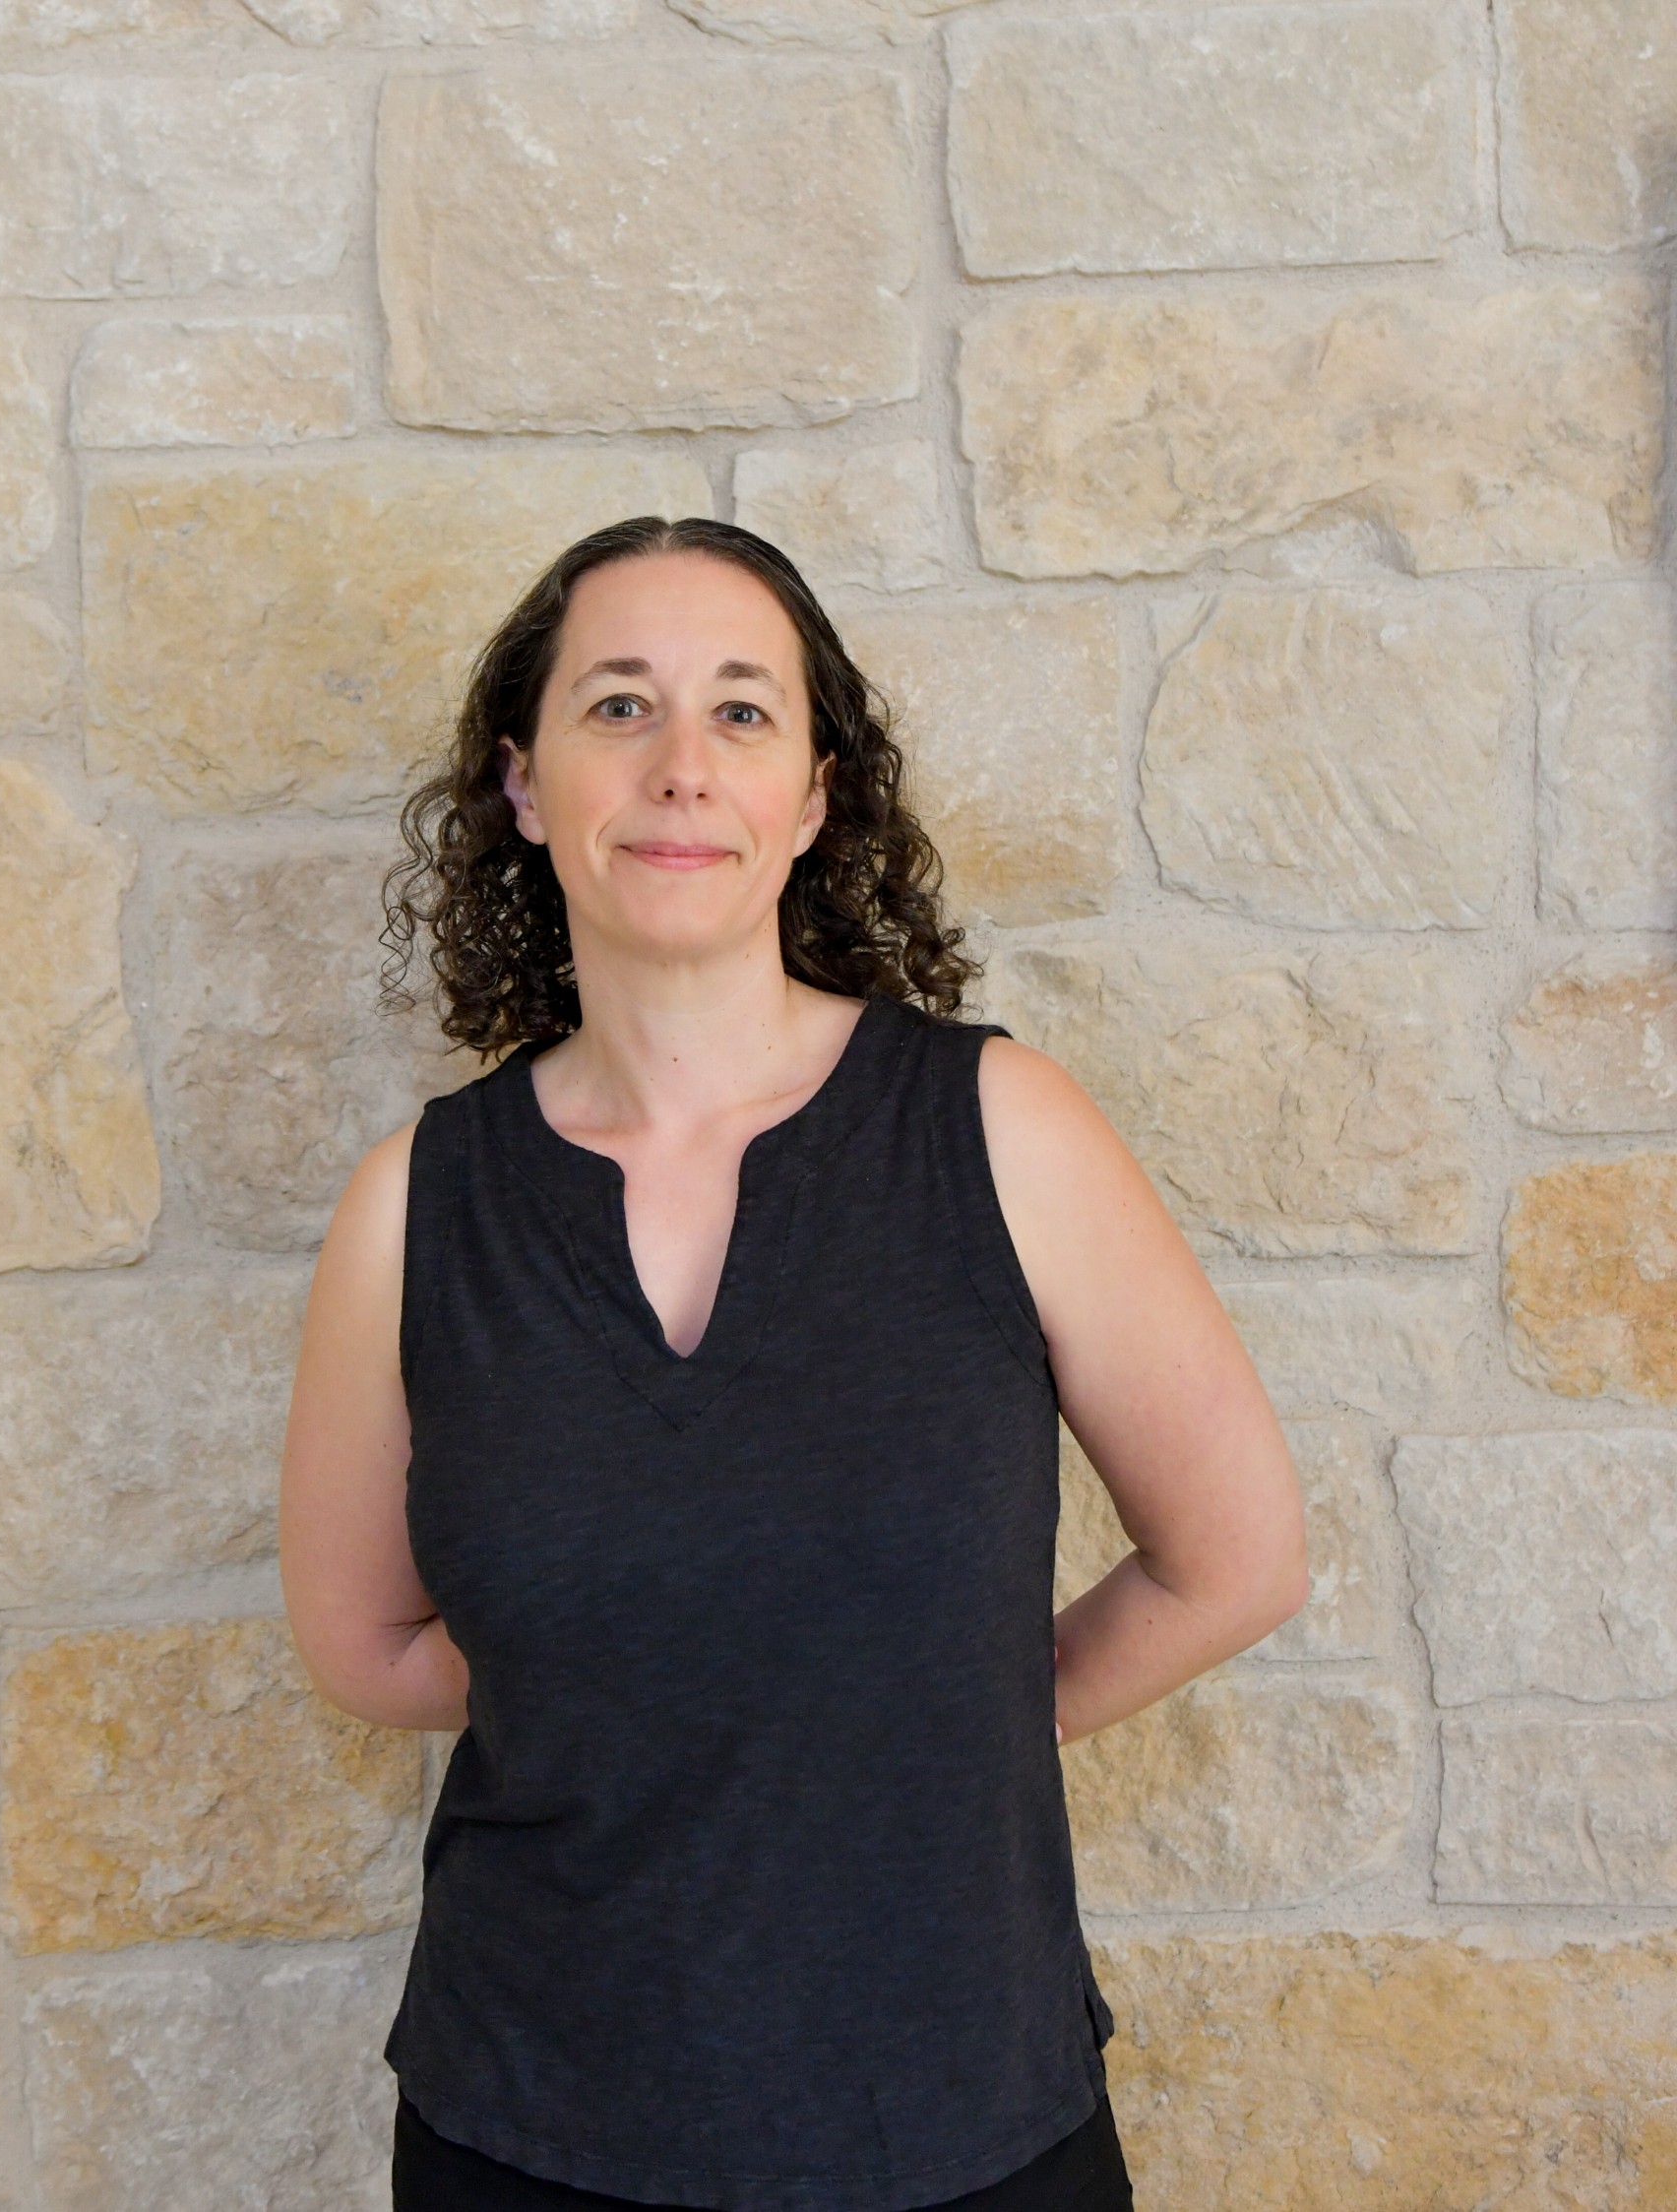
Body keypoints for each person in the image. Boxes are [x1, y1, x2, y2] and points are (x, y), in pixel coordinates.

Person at [278, 515, 1308, 2212]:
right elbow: (368, 1642)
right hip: (529, 2133)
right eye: (618, 706)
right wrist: (673, 1684)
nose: (682, 766)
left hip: (963, 2124)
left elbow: (1239, 1556)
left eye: (743, 712)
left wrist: (917, 1708)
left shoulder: (999, 1132)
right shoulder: (416, 1210)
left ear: (817, 796)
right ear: (524, 784)